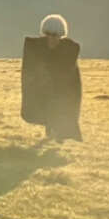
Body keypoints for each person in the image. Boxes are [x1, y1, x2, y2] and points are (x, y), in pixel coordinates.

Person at [21, 13, 83, 142]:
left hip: (65, 89)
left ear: (61, 36)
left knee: (61, 112)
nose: (51, 39)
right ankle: (51, 131)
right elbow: (30, 69)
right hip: (45, 89)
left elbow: (66, 76)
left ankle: (59, 135)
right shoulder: (37, 48)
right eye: (48, 34)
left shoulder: (69, 50)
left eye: (55, 35)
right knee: (47, 108)